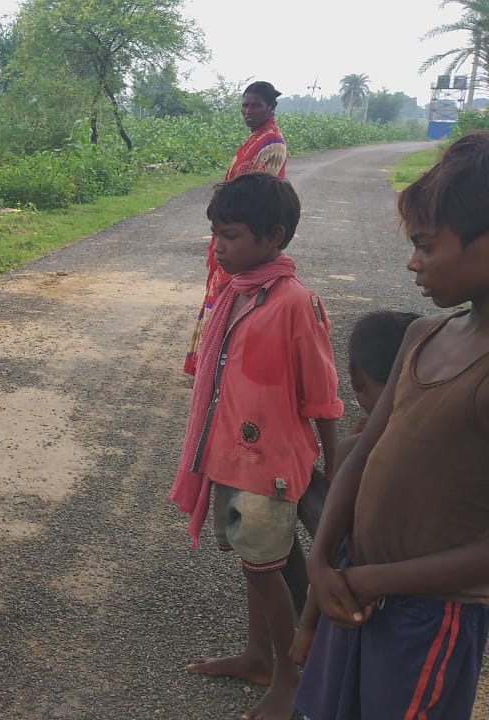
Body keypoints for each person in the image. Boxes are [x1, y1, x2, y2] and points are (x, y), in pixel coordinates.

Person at [296, 131, 489, 720]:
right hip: (353, 591)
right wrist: (322, 562)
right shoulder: (422, 336)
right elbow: (359, 457)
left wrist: (373, 578)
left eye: (427, 245)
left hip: (429, 616)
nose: (413, 261)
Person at [170, 172, 342, 720]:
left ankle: (288, 682)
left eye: (232, 235)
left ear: (274, 237)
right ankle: (256, 657)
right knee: (252, 566)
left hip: (269, 467)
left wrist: (336, 469)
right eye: (216, 234)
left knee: (267, 575)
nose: (219, 246)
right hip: (230, 458)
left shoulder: (295, 303)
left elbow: (323, 397)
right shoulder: (235, 294)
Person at [289, 309, 419, 665]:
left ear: (356, 378)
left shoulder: (353, 453)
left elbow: (329, 550)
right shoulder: (445, 446)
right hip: (423, 619)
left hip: (348, 605)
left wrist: (306, 629)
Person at [184, 80, 289, 377]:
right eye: (244, 105)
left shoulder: (272, 144)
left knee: (233, 293)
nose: (248, 111)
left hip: (249, 232)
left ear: (270, 107)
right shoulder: (254, 139)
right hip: (232, 227)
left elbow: (256, 193)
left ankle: (221, 364)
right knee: (221, 290)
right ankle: (210, 361)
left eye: (255, 105)